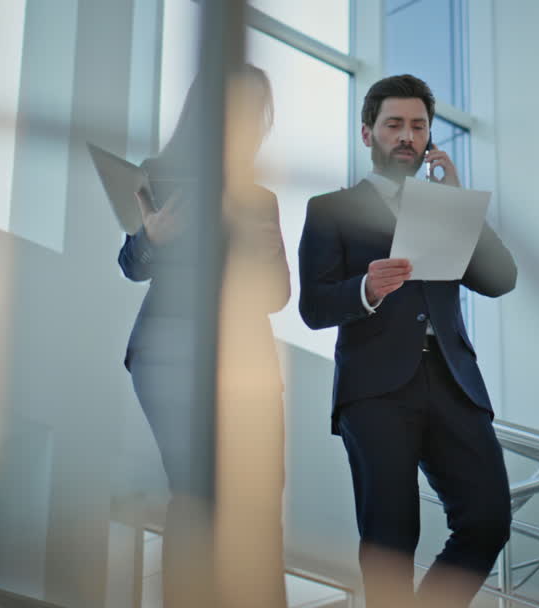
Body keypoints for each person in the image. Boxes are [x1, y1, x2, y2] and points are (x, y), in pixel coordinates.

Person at [297, 74, 518, 607]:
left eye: (418, 127)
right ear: (367, 133)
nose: (407, 136)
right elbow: (313, 307)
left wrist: (460, 205)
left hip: (452, 383)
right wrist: (365, 289)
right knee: (391, 539)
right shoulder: (330, 209)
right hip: (375, 390)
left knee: (489, 519)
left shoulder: (446, 209)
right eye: (394, 124)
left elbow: (500, 278)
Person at [118, 65, 290, 608]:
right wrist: (151, 237)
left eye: (257, 111)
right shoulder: (160, 174)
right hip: (171, 349)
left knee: (262, 496)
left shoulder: (261, 199)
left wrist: (264, 260)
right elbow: (131, 265)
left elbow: (280, 296)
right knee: (196, 489)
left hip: (246, 359)